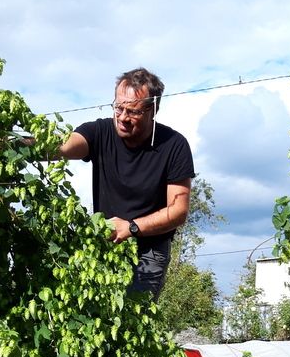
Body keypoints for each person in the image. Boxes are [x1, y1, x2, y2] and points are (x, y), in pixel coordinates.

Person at [57, 68, 195, 297]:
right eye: (118, 108)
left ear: (153, 109)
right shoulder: (100, 132)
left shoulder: (174, 145)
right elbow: (62, 146)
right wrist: (17, 144)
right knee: (95, 315)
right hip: (104, 244)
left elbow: (179, 211)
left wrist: (131, 228)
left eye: (132, 111)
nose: (122, 118)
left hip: (150, 250)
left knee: (134, 316)